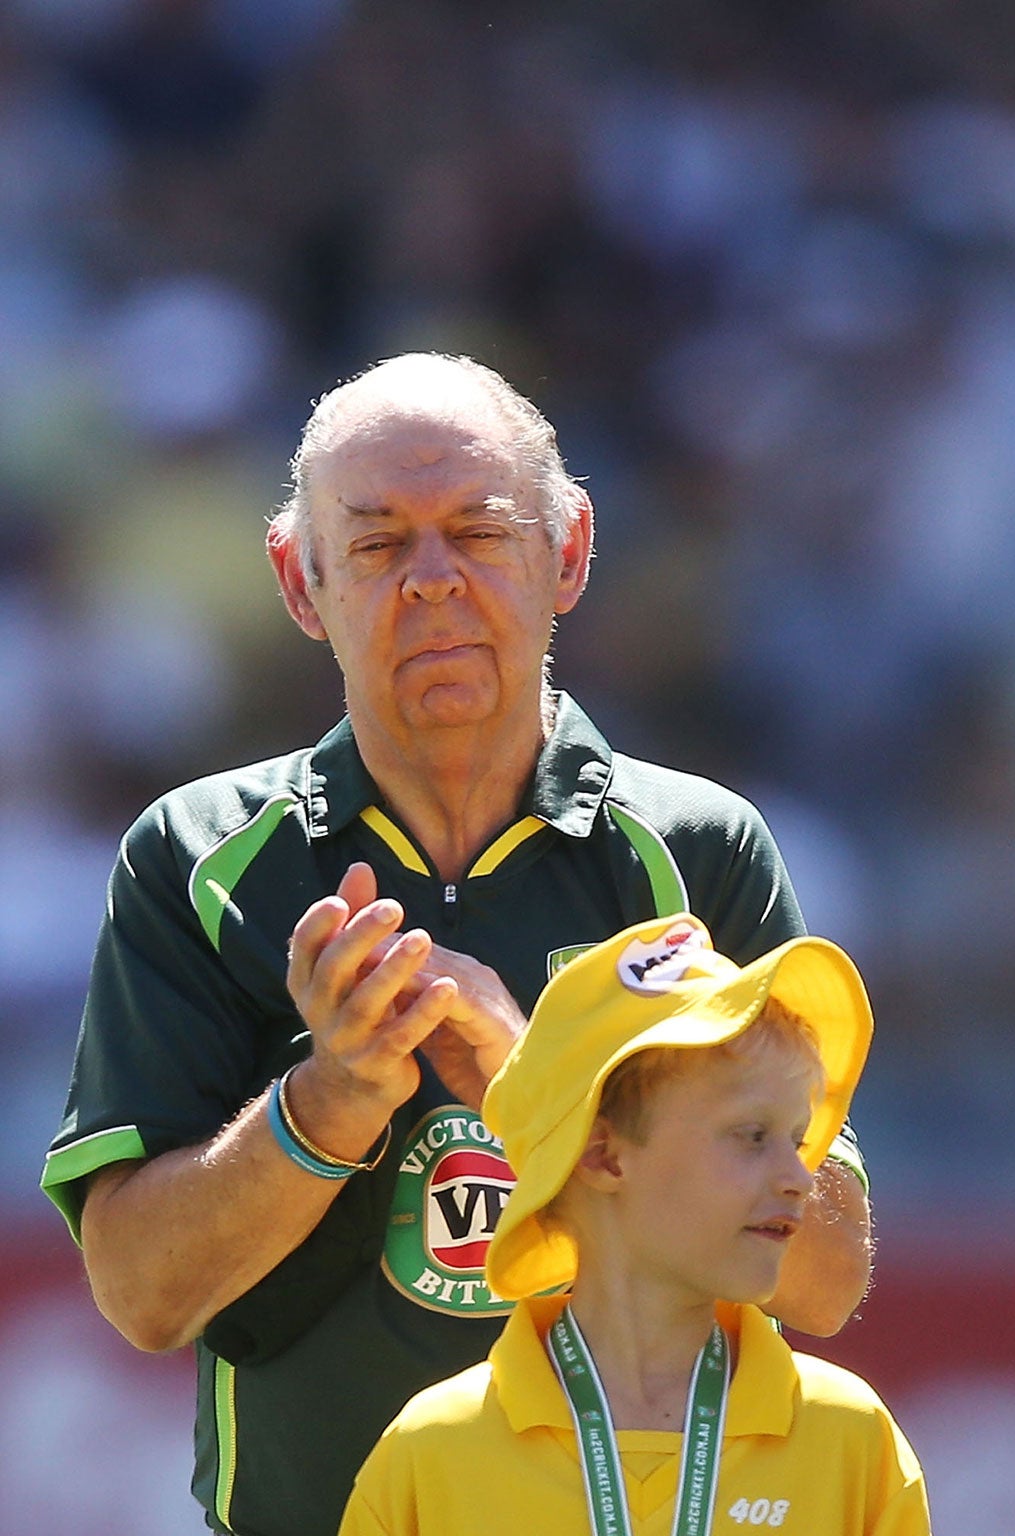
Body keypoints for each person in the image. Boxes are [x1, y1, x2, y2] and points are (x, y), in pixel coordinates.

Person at [42, 354, 873, 1536]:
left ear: (568, 551)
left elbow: (825, 1275)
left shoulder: (695, 852)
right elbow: (141, 1295)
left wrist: (536, 1083)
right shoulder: (199, 858)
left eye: (478, 533)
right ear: (300, 581)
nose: (432, 579)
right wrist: (326, 1104)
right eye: (378, 544)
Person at [340, 913, 929, 1536]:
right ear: (604, 1155)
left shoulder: (851, 1443)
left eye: (799, 1140)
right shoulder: (433, 1454)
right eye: (753, 1135)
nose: (800, 1178)